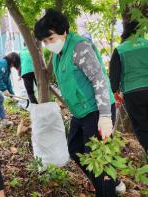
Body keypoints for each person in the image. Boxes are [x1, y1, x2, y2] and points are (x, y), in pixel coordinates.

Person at [34, 9, 125, 196]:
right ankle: (111, 181)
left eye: (50, 39)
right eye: (44, 41)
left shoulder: (79, 47)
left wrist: (105, 115)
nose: (48, 44)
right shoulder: (59, 54)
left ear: (63, 31)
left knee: (96, 158)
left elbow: (99, 79)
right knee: (75, 149)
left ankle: (107, 190)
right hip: (81, 113)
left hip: (97, 110)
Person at [109, 20, 148, 153]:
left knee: (141, 127)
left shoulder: (120, 49)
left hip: (133, 93)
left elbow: (114, 77)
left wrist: (115, 92)